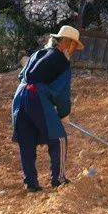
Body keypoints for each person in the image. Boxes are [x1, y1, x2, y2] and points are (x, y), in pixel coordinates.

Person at [10, 25, 84, 192]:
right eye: (73, 46)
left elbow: (21, 76)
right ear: (66, 42)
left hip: (20, 95)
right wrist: (64, 114)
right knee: (59, 138)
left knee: (26, 140)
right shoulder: (63, 63)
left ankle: (31, 184)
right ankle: (59, 179)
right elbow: (61, 94)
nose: (73, 50)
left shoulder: (38, 53)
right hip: (36, 96)